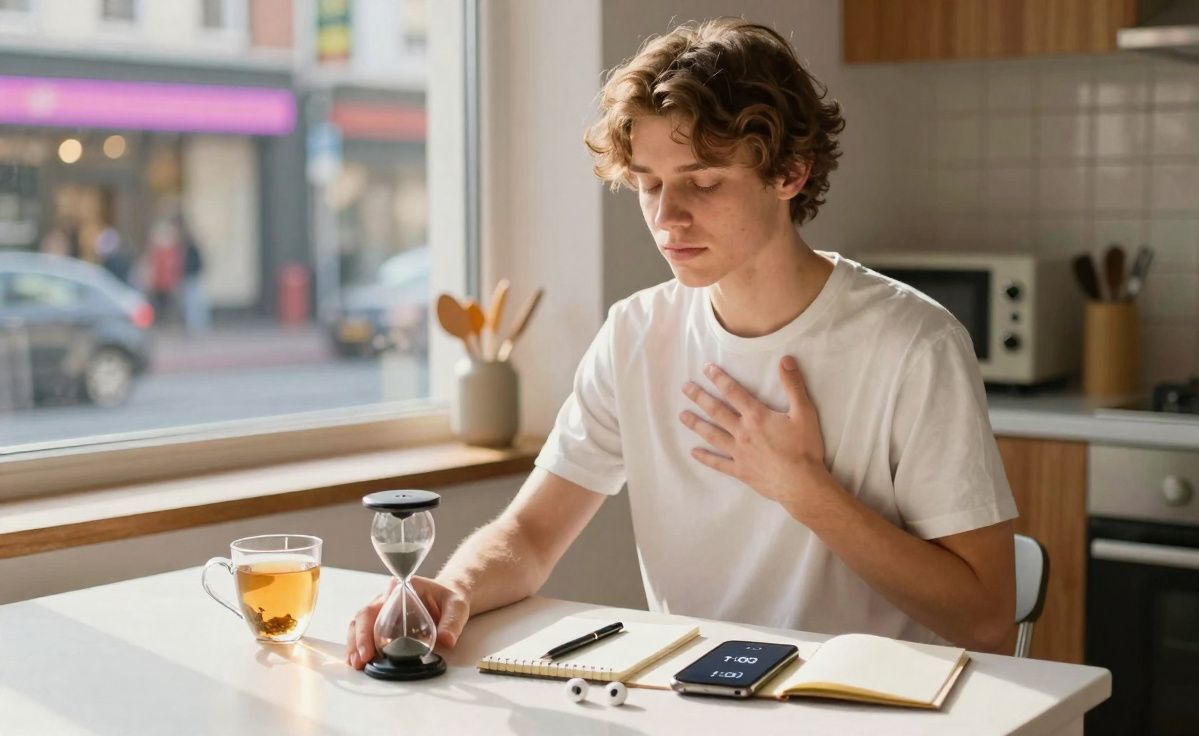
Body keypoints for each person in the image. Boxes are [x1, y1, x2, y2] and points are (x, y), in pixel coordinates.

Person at [346, 18, 1018, 670]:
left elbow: (986, 617)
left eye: (702, 182)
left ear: (790, 174)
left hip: (866, 714)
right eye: (648, 185)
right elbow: (530, 535)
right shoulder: (637, 335)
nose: (667, 218)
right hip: (689, 705)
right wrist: (449, 590)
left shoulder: (913, 344)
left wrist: (804, 490)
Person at [177, 216, 211, 334]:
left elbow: (195, 263)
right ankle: (194, 325)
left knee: (194, 303)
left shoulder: (191, 249)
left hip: (192, 277)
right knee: (192, 303)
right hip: (190, 277)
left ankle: (197, 326)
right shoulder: (189, 248)